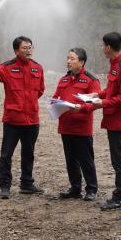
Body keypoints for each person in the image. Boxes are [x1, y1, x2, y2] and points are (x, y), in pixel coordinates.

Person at [0, 36, 45, 199]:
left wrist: (29, 104)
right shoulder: (7, 67)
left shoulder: (37, 68)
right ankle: (5, 186)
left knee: (29, 153)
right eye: (25, 48)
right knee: (6, 154)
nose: (28, 50)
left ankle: (27, 183)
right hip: (13, 120)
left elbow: (40, 90)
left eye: (30, 47)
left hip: (32, 120)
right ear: (16, 50)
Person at [89, 32, 121, 211]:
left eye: (103, 45)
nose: (102, 48)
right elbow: (112, 89)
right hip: (114, 118)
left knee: (120, 160)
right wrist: (98, 95)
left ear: (108, 47)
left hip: (120, 121)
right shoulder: (115, 65)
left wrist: (103, 103)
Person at [52, 48, 100, 201]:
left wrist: (80, 108)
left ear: (81, 62)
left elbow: (95, 103)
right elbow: (55, 97)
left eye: (72, 58)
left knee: (86, 160)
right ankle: (75, 188)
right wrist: (55, 104)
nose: (68, 61)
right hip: (66, 127)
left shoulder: (91, 80)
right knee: (70, 160)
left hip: (82, 128)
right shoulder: (64, 79)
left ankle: (91, 189)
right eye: (67, 58)